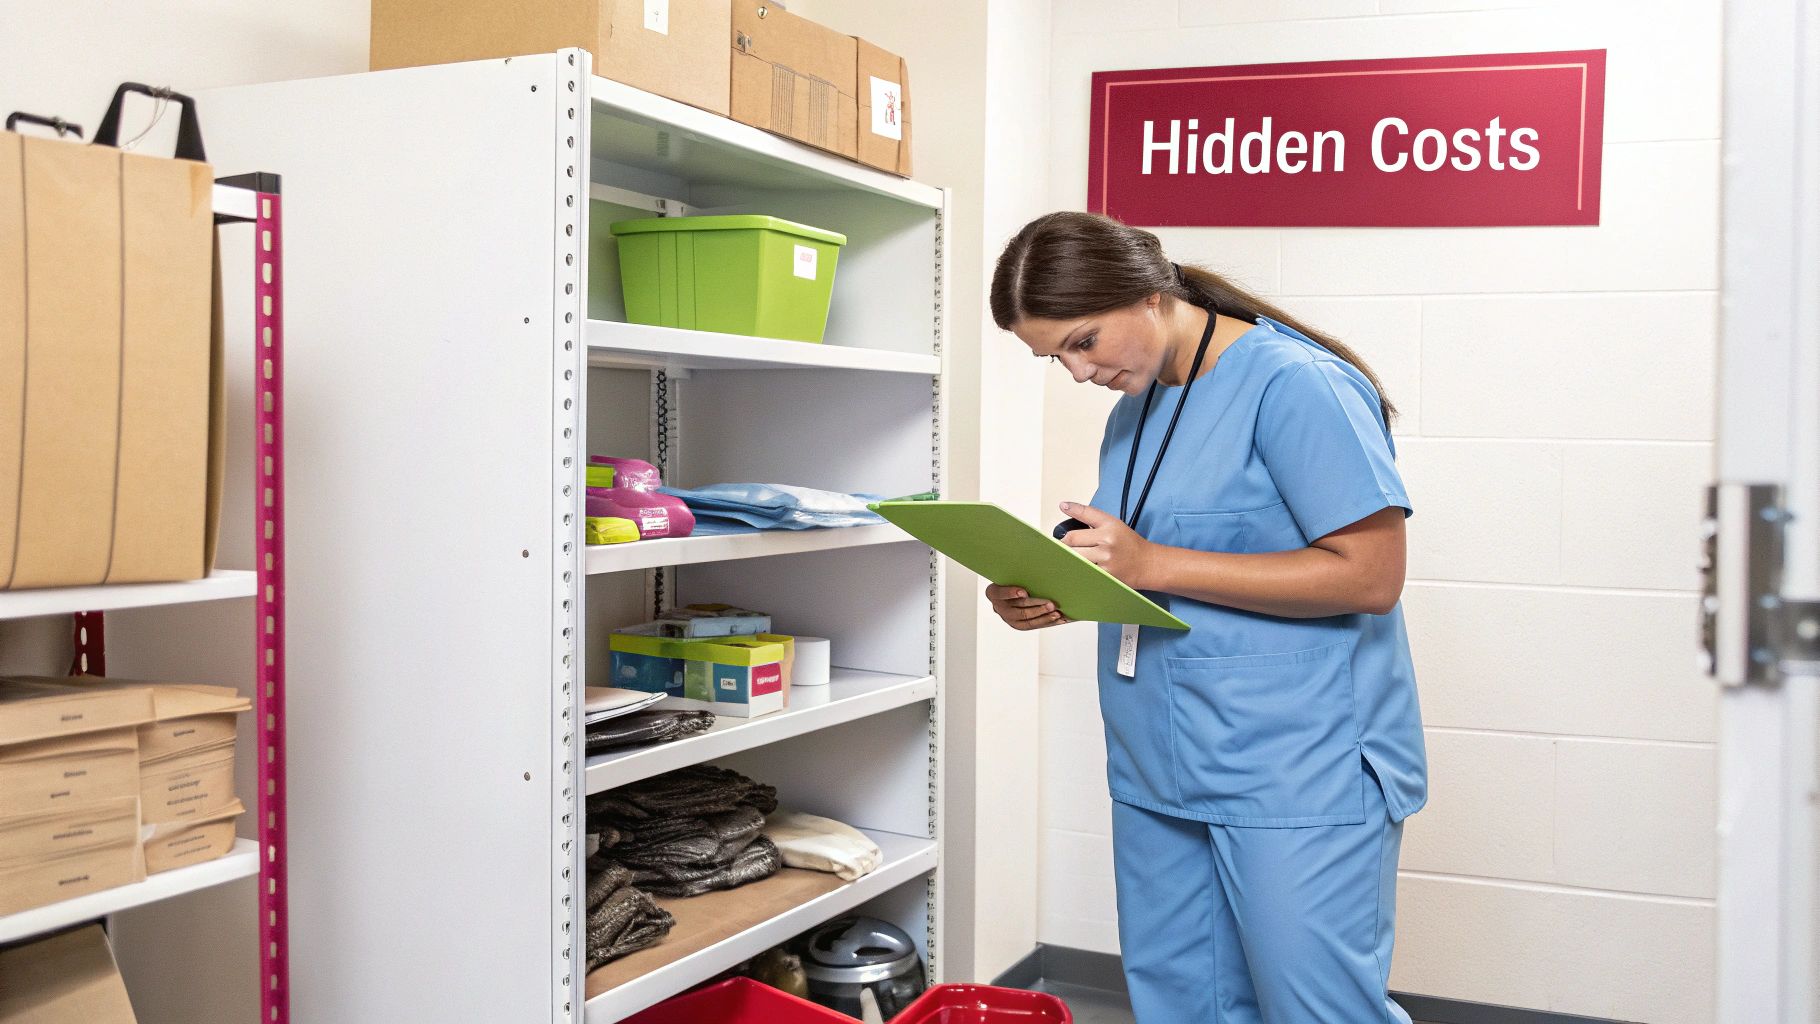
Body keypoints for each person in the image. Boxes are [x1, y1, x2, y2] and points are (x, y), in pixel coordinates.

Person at [987, 211, 1426, 1024]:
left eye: (1083, 342)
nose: (1078, 374)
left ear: (1150, 295)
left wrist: (1150, 564)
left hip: (1296, 764)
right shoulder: (1142, 403)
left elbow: (1371, 576)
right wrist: (1055, 583)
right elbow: (1159, 548)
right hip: (1162, 760)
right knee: (1186, 1006)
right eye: (1055, 359)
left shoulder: (1297, 383)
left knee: (1317, 1011)